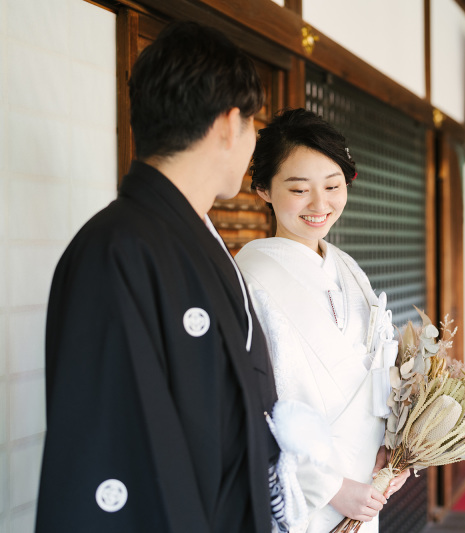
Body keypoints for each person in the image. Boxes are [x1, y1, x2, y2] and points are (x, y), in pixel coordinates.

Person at [36, 21, 280, 533]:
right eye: (253, 124)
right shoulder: (116, 251)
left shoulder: (192, 237)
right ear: (228, 124)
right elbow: (115, 453)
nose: (253, 140)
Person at [235, 108, 410, 533]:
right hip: (305, 494)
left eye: (332, 186)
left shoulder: (348, 268)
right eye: (299, 189)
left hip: (367, 484)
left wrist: (395, 448)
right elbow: (248, 403)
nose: (320, 204)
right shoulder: (248, 278)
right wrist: (330, 486)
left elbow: (377, 370)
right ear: (263, 189)